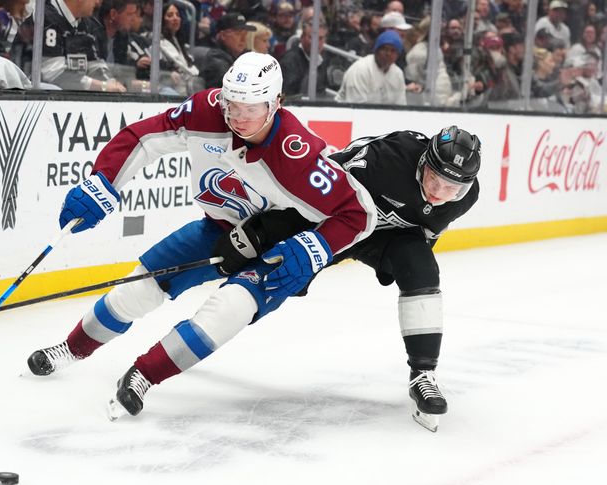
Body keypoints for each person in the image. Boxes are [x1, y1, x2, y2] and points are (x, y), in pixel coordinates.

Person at [26, 52, 376, 420]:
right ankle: (72, 348)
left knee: (225, 312)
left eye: (251, 109)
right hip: (217, 228)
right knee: (136, 289)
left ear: (276, 104)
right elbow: (143, 138)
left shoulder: (297, 154)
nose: (238, 118)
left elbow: (357, 213)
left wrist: (316, 248)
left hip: (277, 249)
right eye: (232, 105)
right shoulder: (205, 110)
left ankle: (144, 375)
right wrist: (104, 179)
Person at [324, 126, 481, 431]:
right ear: (423, 163)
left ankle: (423, 375)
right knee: (277, 273)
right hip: (338, 222)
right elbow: (320, 184)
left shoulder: (464, 199)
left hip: (385, 240)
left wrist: (410, 272)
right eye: (435, 179)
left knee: (423, 268)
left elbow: (425, 237)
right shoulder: (388, 159)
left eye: (452, 188)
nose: (438, 193)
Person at [335, 30, 407, 105]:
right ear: (376, 50)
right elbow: (356, 108)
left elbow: (400, 106)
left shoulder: (398, 73)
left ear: (398, 55)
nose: (388, 54)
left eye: (393, 51)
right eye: (384, 49)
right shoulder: (361, 69)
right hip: (347, 113)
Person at [200, 12, 255, 88]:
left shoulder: (241, 57)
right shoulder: (216, 59)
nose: (243, 39)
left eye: (245, 34)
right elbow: (234, 88)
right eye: (238, 34)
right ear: (223, 36)